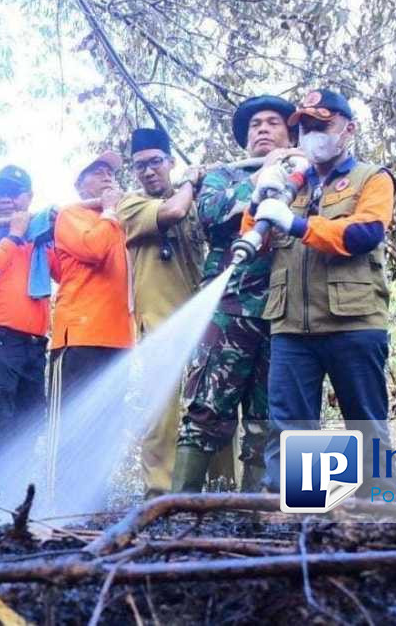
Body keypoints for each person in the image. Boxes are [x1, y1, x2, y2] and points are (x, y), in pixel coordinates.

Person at [251, 88, 396, 493]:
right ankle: (312, 519)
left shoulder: (372, 178)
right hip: (291, 326)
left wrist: (297, 225)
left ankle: (385, 517)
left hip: (352, 321)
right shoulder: (288, 186)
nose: (313, 134)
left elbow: (364, 233)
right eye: (307, 127)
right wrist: (258, 198)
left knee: (365, 422)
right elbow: (253, 243)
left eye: (323, 125)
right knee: (293, 428)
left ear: (348, 129)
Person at [173, 95, 297, 493]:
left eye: (272, 122)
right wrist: (265, 178)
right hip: (229, 309)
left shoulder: (307, 174)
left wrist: (290, 172)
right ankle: (176, 511)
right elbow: (212, 213)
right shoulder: (224, 175)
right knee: (206, 412)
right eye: (255, 124)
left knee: (273, 421)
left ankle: (260, 519)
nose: (262, 129)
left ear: (290, 132)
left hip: (288, 312)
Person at [116, 127, 234, 497]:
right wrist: (191, 181)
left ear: (169, 162)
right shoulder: (130, 204)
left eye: (155, 162)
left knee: (213, 407)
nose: (149, 171)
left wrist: (208, 180)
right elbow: (173, 211)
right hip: (158, 323)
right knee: (160, 412)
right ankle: (159, 492)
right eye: (140, 166)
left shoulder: (199, 199)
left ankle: (220, 489)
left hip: (205, 321)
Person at [47, 150, 134, 506]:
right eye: (97, 172)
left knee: (106, 429)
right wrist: (110, 211)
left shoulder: (120, 221)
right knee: (72, 426)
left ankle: (94, 505)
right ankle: (59, 507)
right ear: (80, 183)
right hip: (78, 337)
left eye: (111, 172)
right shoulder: (72, 215)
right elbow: (94, 249)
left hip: (120, 339)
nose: (107, 177)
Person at [0, 165, 56, 492]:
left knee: (30, 419)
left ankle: (17, 494)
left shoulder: (39, 235)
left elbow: (61, 270)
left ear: (28, 197)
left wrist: (47, 233)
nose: (4, 199)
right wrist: (13, 236)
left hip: (34, 344)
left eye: (12, 193)